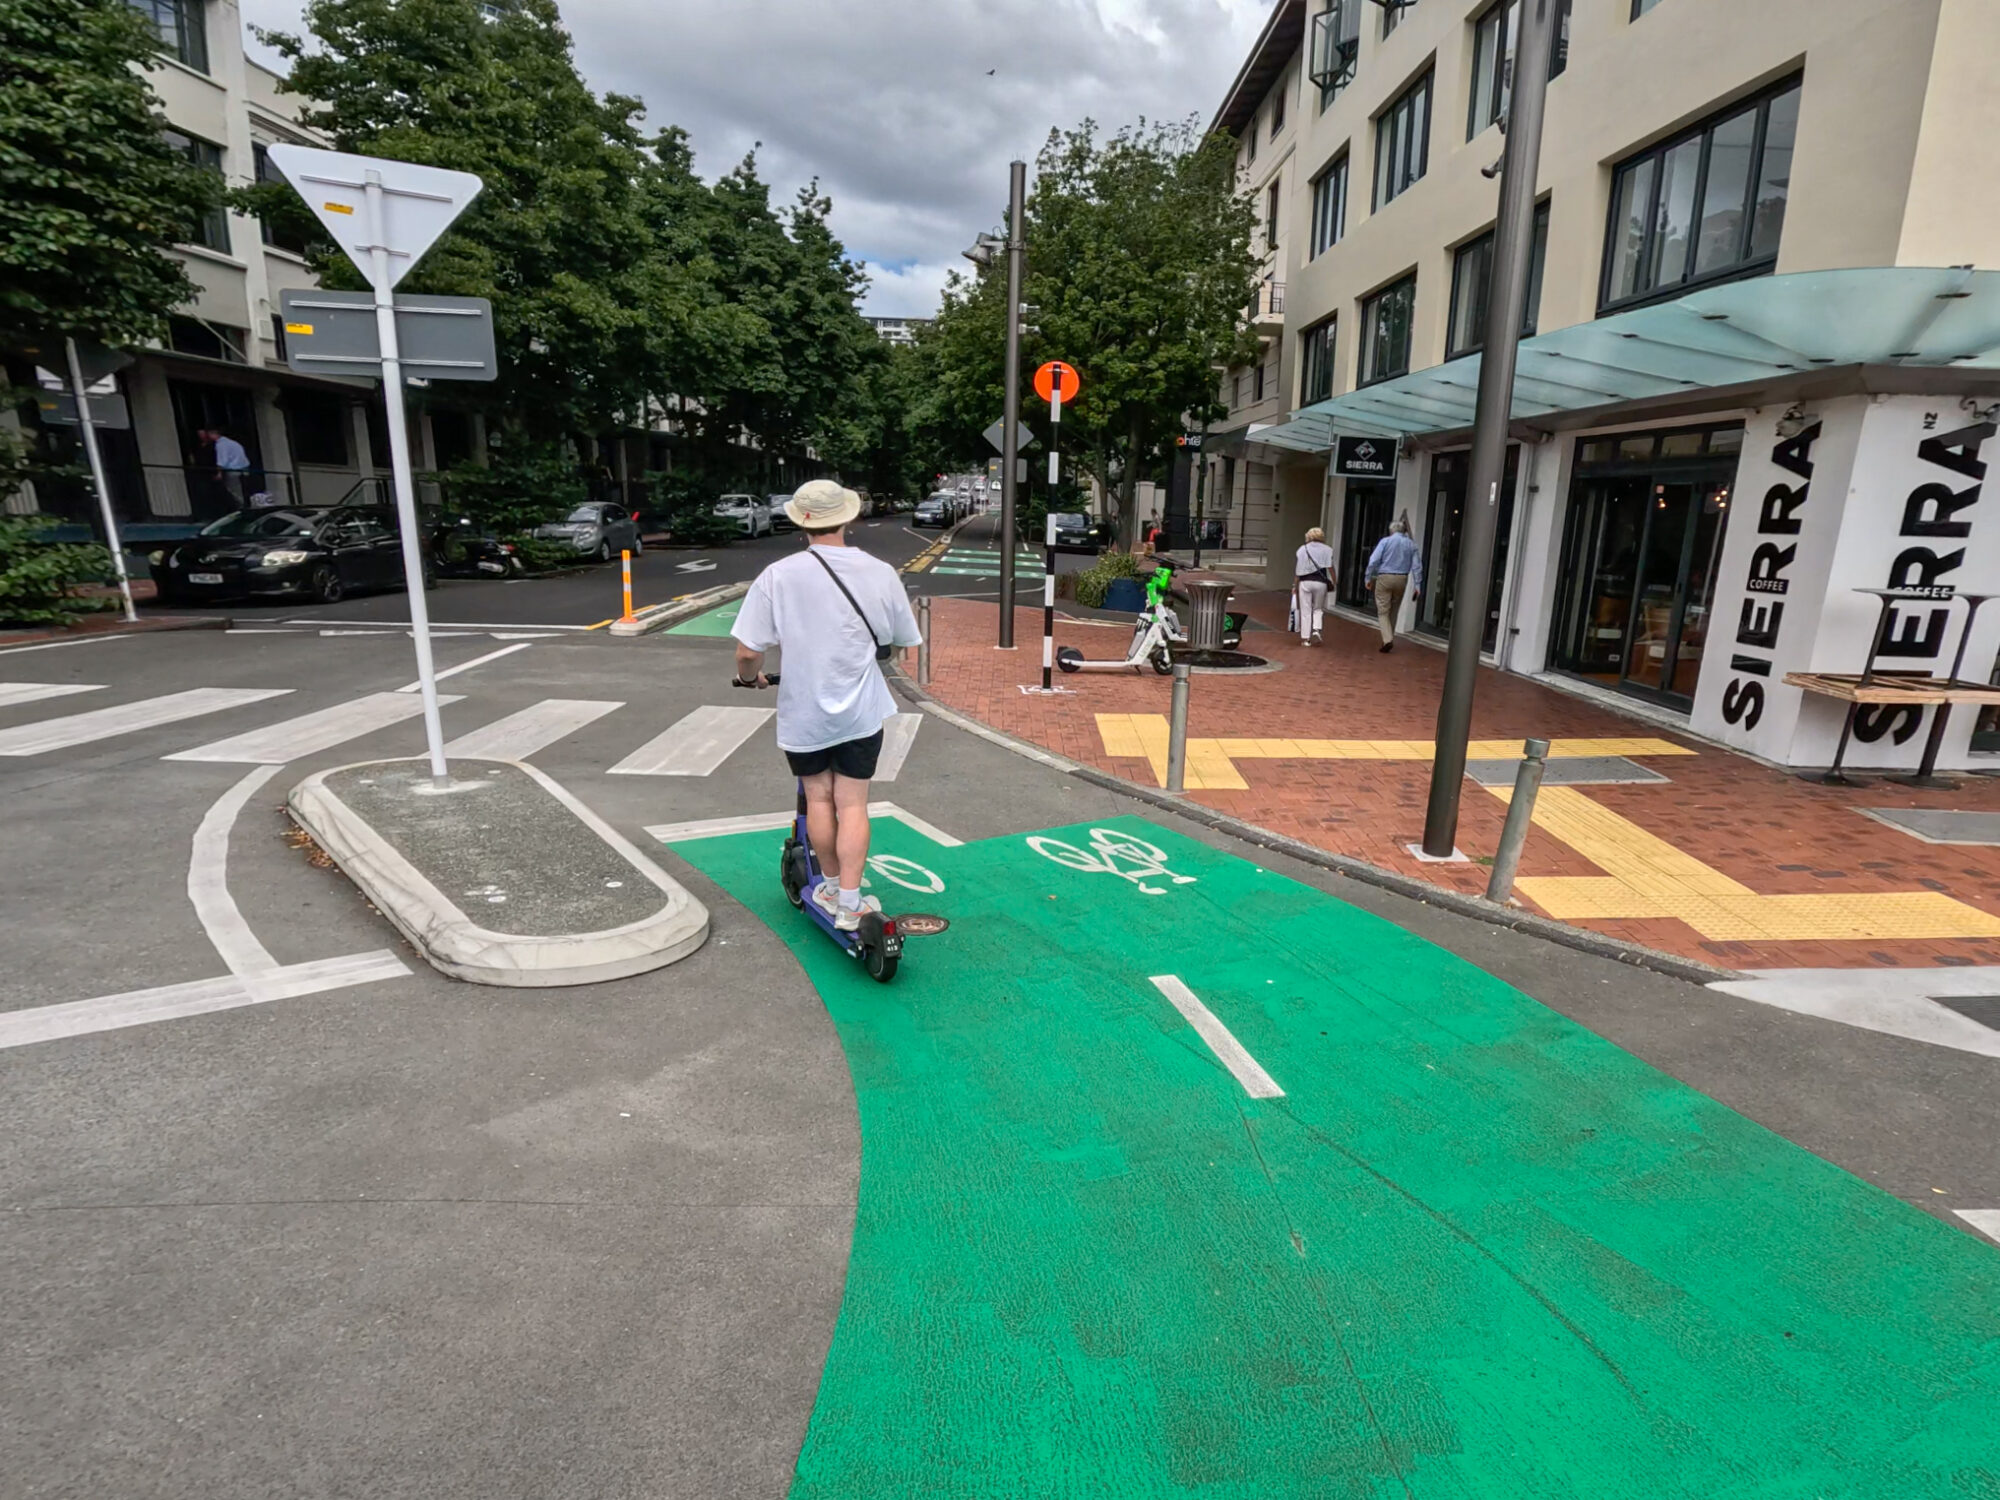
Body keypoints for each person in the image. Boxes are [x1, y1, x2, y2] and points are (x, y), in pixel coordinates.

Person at [732, 480, 923, 931]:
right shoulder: (880, 572)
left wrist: (748, 679)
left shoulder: (778, 575)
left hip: (804, 713)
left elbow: (747, 652)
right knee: (853, 804)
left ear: (801, 523)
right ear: (849, 518)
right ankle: (852, 902)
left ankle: (831, 886)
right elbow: (902, 641)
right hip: (861, 711)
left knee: (818, 797)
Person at [1364, 517, 1423, 653]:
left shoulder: (1385, 541)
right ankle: (1390, 637)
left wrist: (1368, 577)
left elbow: (1373, 560)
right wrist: (1417, 585)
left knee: (1383, 610)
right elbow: (1417, 566)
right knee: (1394, 609)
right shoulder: (1411, 544)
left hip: (1385, 577)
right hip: (1402, 578)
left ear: (1391, 531)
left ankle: (1387, 639)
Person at [1293, 526, 1334, 646]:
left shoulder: (1302, 549)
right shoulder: (1327, 549)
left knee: (1306, 610)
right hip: (1320, 582)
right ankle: (1316, 630)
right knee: (1318, 609)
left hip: (1305, 582)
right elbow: (1330, 567)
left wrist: (1294, 585)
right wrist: (1334, 581)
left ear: (1308, 537)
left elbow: (1298, 569)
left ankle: (1306, 639)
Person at [201, 426, 253, 505]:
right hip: (244, 468)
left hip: (233, 470)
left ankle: (241, 508)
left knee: (234, 491)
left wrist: (219, 473)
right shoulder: (232, 442)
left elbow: (222, 460)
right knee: (245, 490)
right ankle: (247, 505)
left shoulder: (221, 445)